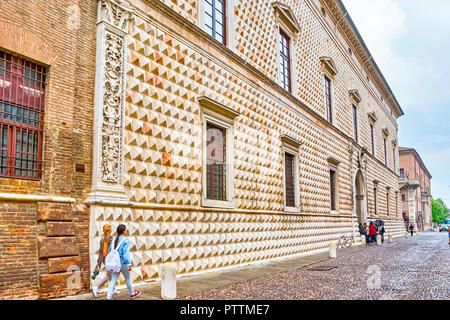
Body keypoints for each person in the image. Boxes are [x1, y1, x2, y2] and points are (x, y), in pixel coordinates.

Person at [106, 224, 141, 300]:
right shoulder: (125, 240)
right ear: (123, 231)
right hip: (124, 263)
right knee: (128, 280)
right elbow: (125, 254)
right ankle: (132, 294)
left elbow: (109, 251)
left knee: (113, 280)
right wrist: (129, 264)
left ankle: (108, 297)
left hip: (115, 264)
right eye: (125, 230)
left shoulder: (114, 240)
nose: (126, 231)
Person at [91, 224, 120, 298]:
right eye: (110, 228)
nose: (111, 230)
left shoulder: (103, 238)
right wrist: (110, 257)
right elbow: (104, 252)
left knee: (111, 274)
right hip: (108, 259)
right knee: (109, 275)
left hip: (104, 259)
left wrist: (99, 261)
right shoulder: (108, 237)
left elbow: (101, 252)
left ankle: (112, 289)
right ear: (109, 230)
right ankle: (96, 287)